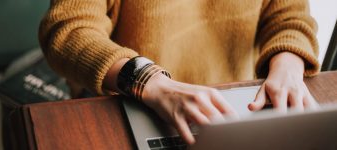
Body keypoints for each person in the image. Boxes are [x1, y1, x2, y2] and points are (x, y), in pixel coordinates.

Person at [39, 0, 320, 144]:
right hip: (130, 101)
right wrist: (148, 80)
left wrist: (289, 63)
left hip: (234, 109)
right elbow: (68, 29)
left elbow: (291, 16)